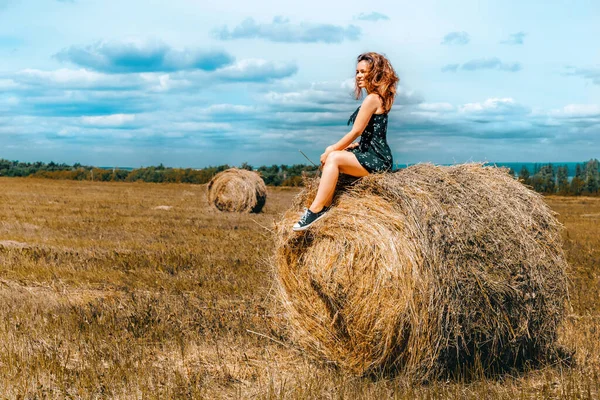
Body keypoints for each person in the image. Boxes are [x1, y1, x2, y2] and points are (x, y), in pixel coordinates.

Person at [293, 52, 399, 231]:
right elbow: (373, 134)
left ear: (375, 73)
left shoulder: (372, 99)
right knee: (337, 156)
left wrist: (331, 149)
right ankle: (324, 205)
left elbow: (356, 131)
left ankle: (316, 210)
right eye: (357, 72)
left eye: (363, 72)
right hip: (372, 153)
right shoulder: (377, 98)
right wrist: (355, 146)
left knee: (333, 158)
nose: (358, 76)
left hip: (377, 159)